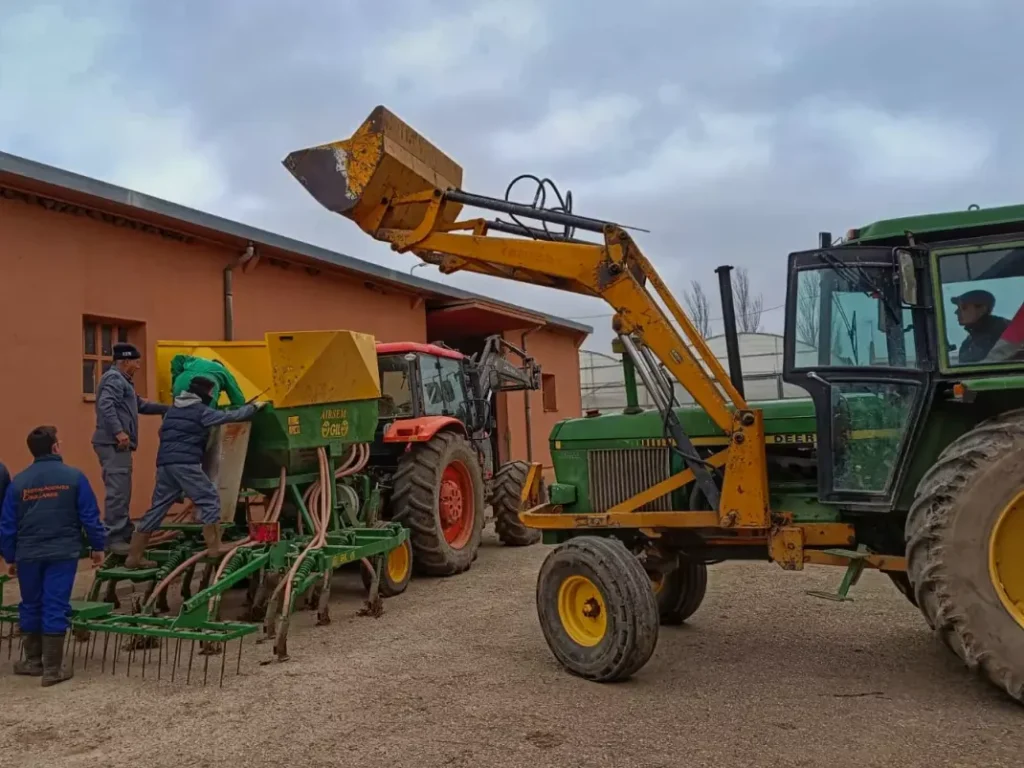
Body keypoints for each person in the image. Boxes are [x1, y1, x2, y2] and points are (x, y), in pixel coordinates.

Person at [0, 426, 106, 686]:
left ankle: (33, 661)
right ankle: (52, 669)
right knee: (55, 603)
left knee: (31, 603)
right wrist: (97, 547)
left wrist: (10, 557)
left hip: (28, 554)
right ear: (55, 447)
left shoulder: (20, 482)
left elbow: (7, 524)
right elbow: (90, 517)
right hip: (62, 553)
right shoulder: (74, 477)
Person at [126, 376, 266, 569]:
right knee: (209, 498)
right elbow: (229, 417)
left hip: (165, 464)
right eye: (210, 393)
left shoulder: (172, 410)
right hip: (185, 464)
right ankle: (215, 546)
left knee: (158, 507)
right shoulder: (201, 412)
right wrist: (254, 408)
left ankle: (134, 557)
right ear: (205, 393)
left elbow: (162, 433)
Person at [91, 342, 169, 555]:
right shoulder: (114, 379)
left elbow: (140, 406)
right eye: (136, 362)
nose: (138, 366)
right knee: (117, 491)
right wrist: (119, 432)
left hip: (118, 445)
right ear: (125, 361)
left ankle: (124, 531)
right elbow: (105, 405)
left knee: (123, 489)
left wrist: (170, 408)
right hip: (112, 443)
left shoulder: (124, 382)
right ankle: (113, 538)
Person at [951, 290, 1011, 365]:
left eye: (964, 307)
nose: (956, 312)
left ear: (982, 309)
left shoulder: (1002, 331)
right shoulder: (971, 338)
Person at [170, 354, 247, 408]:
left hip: (181, 382)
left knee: (179, 413)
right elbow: (239, 400)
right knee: (205, 421)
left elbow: (177, 359)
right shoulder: (224, 371)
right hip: (207, 387)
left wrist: (176, 379)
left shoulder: (196, 360)